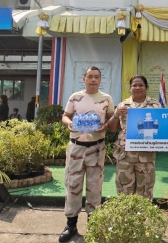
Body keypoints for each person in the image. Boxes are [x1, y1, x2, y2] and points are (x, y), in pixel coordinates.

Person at [58, 66, 114, 243]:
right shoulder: (75, 97)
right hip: (76, 147)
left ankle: (94, 225)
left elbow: (112, 125)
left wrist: (106, 125)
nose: (93, 80)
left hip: (97, 148)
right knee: (73, 185)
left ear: (100, 79)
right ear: (84, 79)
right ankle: (71, 225)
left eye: (96, 77)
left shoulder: (106, 99)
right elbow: (65, 116)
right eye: (90, 76)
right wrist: (69, 123)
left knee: (94, 187)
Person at [108, 75, 161, 200]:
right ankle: (127, 219)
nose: (137, 88)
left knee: (145, 192)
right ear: (130, 88)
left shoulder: (155, 105)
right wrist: (116, 114)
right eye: (134, 85)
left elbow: (160, 128)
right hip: (125, 154)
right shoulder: (123, 105)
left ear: (146, 87)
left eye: (141, 85)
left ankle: (141, 219)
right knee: (124, 191)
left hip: (146, 155)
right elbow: (112, 128)